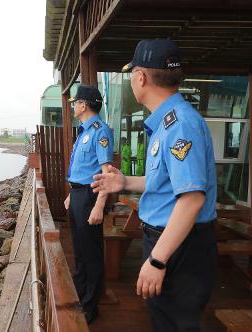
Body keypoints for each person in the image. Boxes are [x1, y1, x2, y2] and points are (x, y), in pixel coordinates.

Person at [91, 39, 217, 332]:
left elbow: (192, 199)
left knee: (174, 324)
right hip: (170, 240)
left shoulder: (180, 124)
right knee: (164, 320)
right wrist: (125, 182)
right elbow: (169, 184)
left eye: (132, 74)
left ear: (140, 77)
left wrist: (158, 261)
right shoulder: (167, 123)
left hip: (179, 246)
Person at [64, 84, 114, 324]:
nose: (74, 106)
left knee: (92, 253)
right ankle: (80, 295)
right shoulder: (84, 131)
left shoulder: (100, 131)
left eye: (76, 102)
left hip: (90, 197)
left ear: (83, 105)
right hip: (77, 195)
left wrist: (99, 206)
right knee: (80, 251)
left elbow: (106, 173)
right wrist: (71, 193)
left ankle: (91, 306)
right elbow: (81, 169)